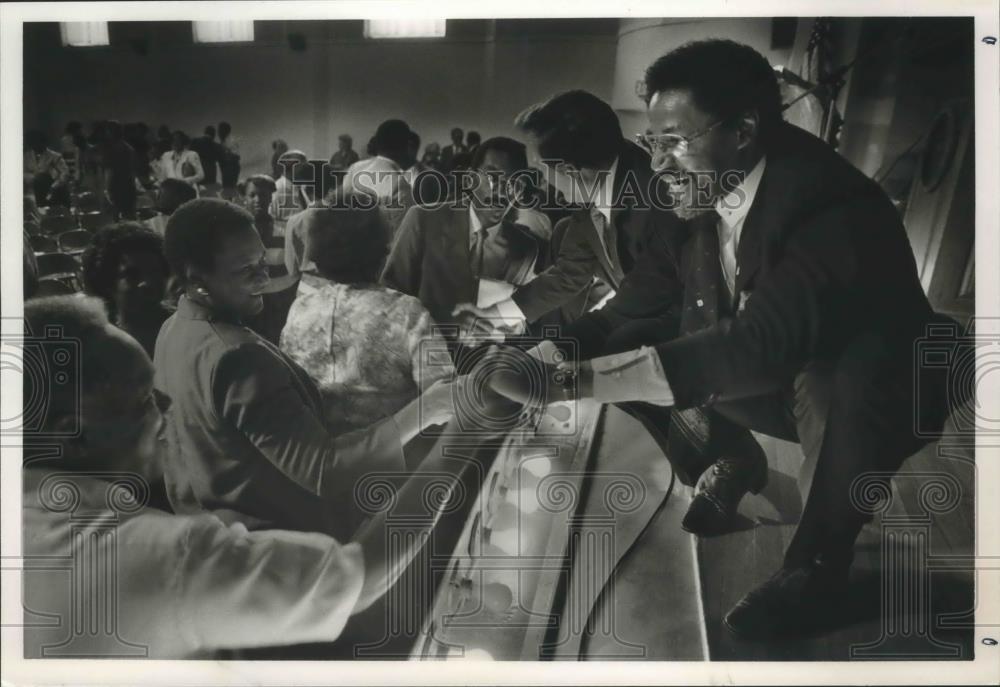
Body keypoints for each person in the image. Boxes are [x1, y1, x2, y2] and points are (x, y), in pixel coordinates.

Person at [483, 40, 968, 639]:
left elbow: (761, 344)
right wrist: (543, 355)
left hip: (888, 380)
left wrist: (567, 383)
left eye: (676, 143)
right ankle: (732, 458)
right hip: (778, 363)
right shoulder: (703, 191)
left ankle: (816, 567)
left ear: (742, 130)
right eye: (651, 144)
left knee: (837, 383)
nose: (658, 166)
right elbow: (630, 307)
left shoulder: (830, 202)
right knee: (639, 336)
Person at [21, 295, 481, 658]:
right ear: (72, 433)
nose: (165, 408)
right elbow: (360, 577)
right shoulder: (159, 555)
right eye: (143, 399)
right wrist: (466, 435)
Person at [153, 199, 455, 541]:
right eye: (246, 270)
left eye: (263, 262)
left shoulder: (173, 329)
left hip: (214, 529)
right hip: (281, 538)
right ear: (197, 281)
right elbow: (324, 468)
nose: (264, 278)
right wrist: (428, 408)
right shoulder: (236, 356)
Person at [452, 90, 687, 348]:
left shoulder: (660, 201)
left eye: (540, 169)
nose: (538, 182)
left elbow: (640, 301)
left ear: (568, 170)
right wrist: (493, 316)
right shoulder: (593, 187)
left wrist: (554, 353)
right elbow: (569, 272)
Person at [281, 200, 454, 432]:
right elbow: (445, 399)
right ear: (382, 252)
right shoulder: (407, 312)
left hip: (321, 453)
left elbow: (290, 386)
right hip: (393, 454)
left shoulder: (300, 309)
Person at [381, 137, 547, 336]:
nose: (502, 191)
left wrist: (510, 327)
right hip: (421, 350)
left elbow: (518, 314)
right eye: (493, 177)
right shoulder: (424, 219)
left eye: (514, 183)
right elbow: (390, 295)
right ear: (470, 180)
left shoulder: (524, 247)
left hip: (484, 359)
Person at [82, 222, 172, 358]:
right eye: (132, 275)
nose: (146, 283)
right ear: (106, 283)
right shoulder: (98, 342)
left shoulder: (185, 326)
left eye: (153, 271)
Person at [241, 174, 299, 344]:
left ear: (270, 197)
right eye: (252, 195)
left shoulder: (285, 228)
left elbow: (294, 269)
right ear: (244, 197)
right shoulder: (235, 231)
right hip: (248, 303)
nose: (258, 199)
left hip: (280, 302)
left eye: (263, 195)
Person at [342, 119, 416, 238]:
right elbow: (401, 236)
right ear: (406, 147)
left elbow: (340, 212)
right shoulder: (400, 184)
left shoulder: (355, 168)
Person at [101, 120, 141, 220]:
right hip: (129, 187)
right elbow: (133, 171)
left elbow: (109, 171)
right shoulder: (130, 149)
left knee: (116, 219)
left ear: (109, 132)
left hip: (116, 187)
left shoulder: (110, 150)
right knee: (129, 217)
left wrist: (107, 189)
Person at [24, 130, 70, 207]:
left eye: (39, 143)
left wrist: (54, 185)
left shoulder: (55, 156)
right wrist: (32, 178)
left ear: (44, 143)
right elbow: (23, 173)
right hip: (34, 190)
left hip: (54, 190)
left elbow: (65, 173)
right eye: (33, 144)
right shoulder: (26, 156)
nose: (36, 146)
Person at [217, 121, 241, 193]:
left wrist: (226, 155)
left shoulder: (230, 141)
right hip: (226, 168)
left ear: (225, 131)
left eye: (220, 131)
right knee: (227, 188)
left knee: (229, 188)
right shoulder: (223, 142)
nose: (218, 133)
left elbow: (236, 156)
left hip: (231, 168)